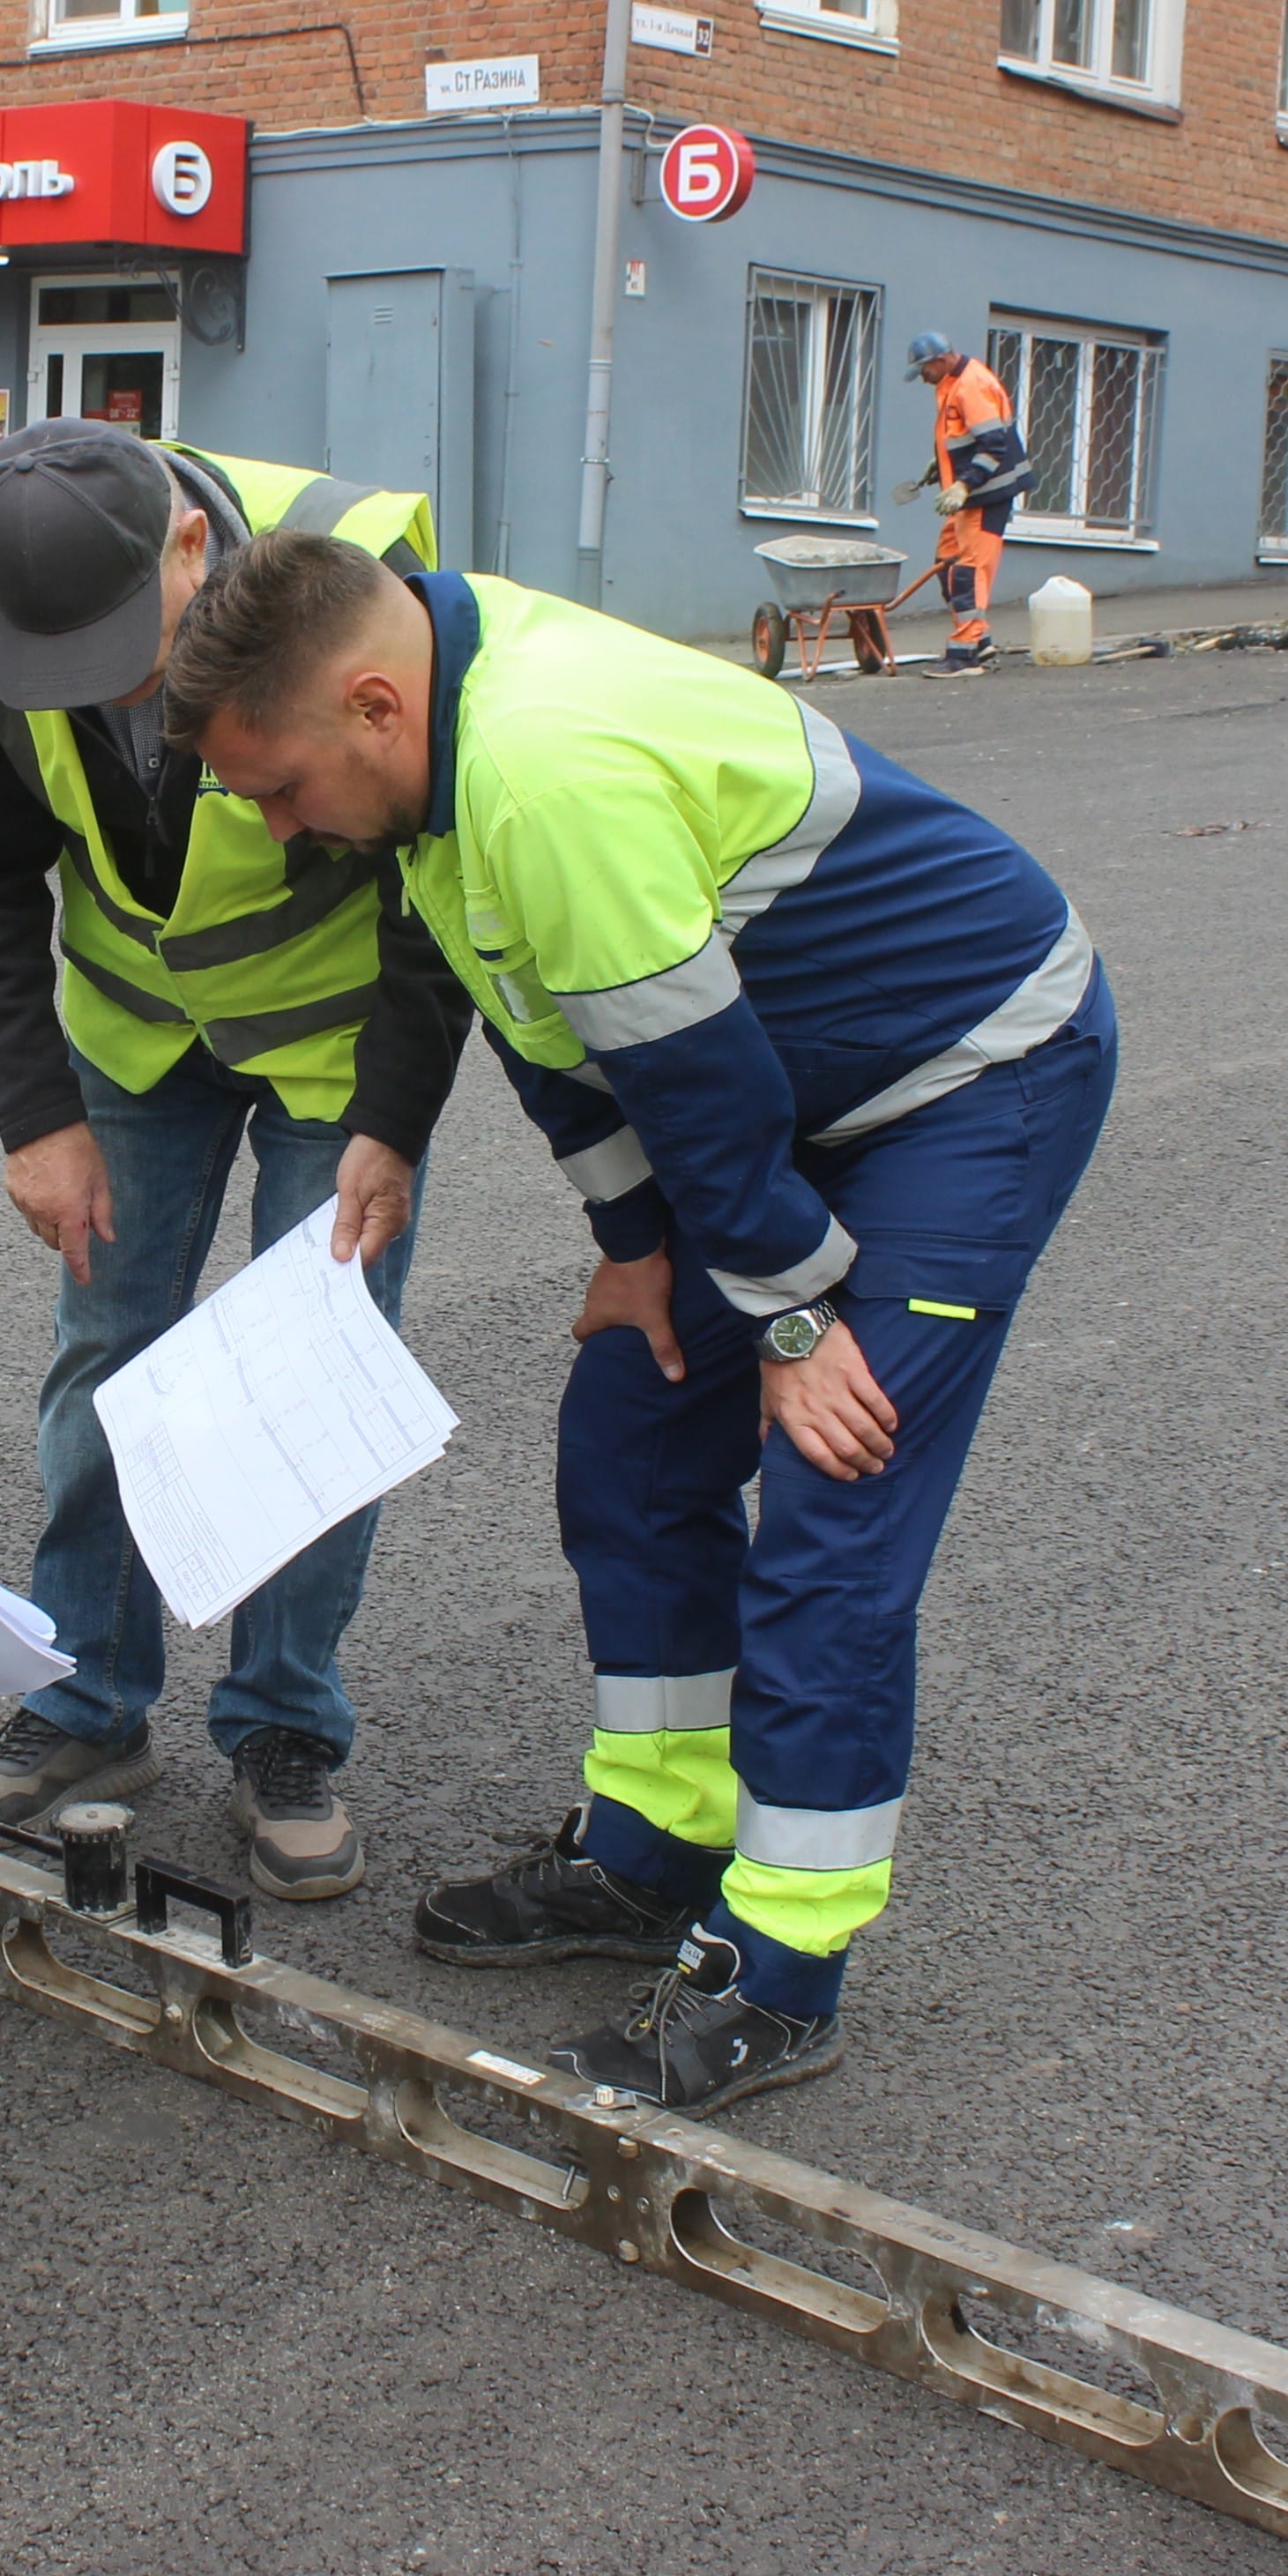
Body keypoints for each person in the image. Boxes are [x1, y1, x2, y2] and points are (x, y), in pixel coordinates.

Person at [160, 532, 1115, 2116]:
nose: (275, 827)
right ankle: (657, 1844)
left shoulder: (540, 772)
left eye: (277, 787)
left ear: (373, 705)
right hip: (785, 1104)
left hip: (966, 1080)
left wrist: (794, 1327)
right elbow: (551, 1027)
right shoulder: (438, 754)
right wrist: (632, 1247)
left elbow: (694, 1080)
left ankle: (782, 1963)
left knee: (834, 1497)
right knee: (631, 1429)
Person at [0, 417, 468, 1901]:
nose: (108, 693)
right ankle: (85, 1699)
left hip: (332, 1037)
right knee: (106, 1352)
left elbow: (439, 860)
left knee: (313, 1371)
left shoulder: (351, 562)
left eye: (125, 651)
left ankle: (283, 1725)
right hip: (132, 1027)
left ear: (187, 542)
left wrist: (393, 1113)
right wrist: (35, 1113)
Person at [905, 332, 1030, 672]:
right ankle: (980, 641)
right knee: (947, 562)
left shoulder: (971, 385)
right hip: (972, 495)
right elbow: (965, 436)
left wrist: (962, 484)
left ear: (941, 360)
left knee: (968, 572)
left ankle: (964, 654)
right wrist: (943, 463)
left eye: (924, 370)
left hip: (987, 494)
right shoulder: (953, 382)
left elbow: (993, 445)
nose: (923, 378)